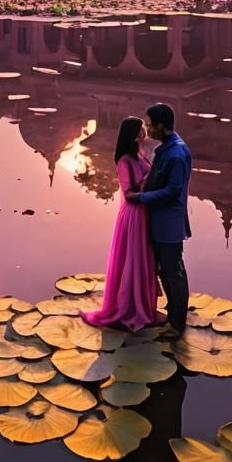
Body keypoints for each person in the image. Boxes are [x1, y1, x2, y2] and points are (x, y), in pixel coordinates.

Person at [81, 117, 159, 333]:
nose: (145, 134)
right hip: (133, 215)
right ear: (133, 135)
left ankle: (144, 306)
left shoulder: (141, 156)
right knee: (132, 262)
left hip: (144, 214)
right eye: (142, 131)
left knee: (144, 261)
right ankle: (129, 309)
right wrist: (149, 180)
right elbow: (129, 193)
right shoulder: (125, 161)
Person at [127, 102, 191, 336]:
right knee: (167, 270)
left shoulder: (175, 154)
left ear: (161, 126)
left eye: (150, 124)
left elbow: (173, 191)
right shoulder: (168, 147)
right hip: (162, 220)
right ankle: (174, 312)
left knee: (173, 271)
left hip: (168, 222)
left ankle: (177, 322)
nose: (147, 128)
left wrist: (141, 197)